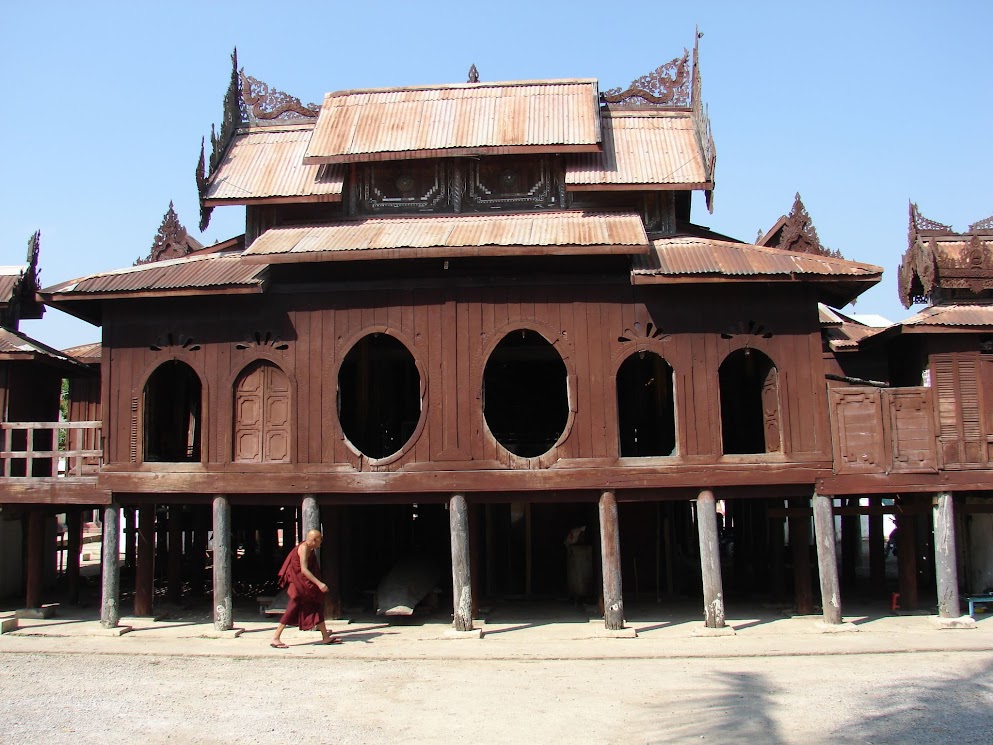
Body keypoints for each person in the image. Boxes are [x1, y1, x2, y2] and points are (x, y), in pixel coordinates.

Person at [270, 529, 340, 648]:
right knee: (292, 607)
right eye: (320, 540)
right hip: (299, 584)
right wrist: (319, 583)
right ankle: (276, 638)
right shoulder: (304, 548)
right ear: (314, 540)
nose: (321, 542)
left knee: (316, 606)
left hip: (305, 583)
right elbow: (303, 569)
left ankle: (325, 637)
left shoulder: (310, 548)